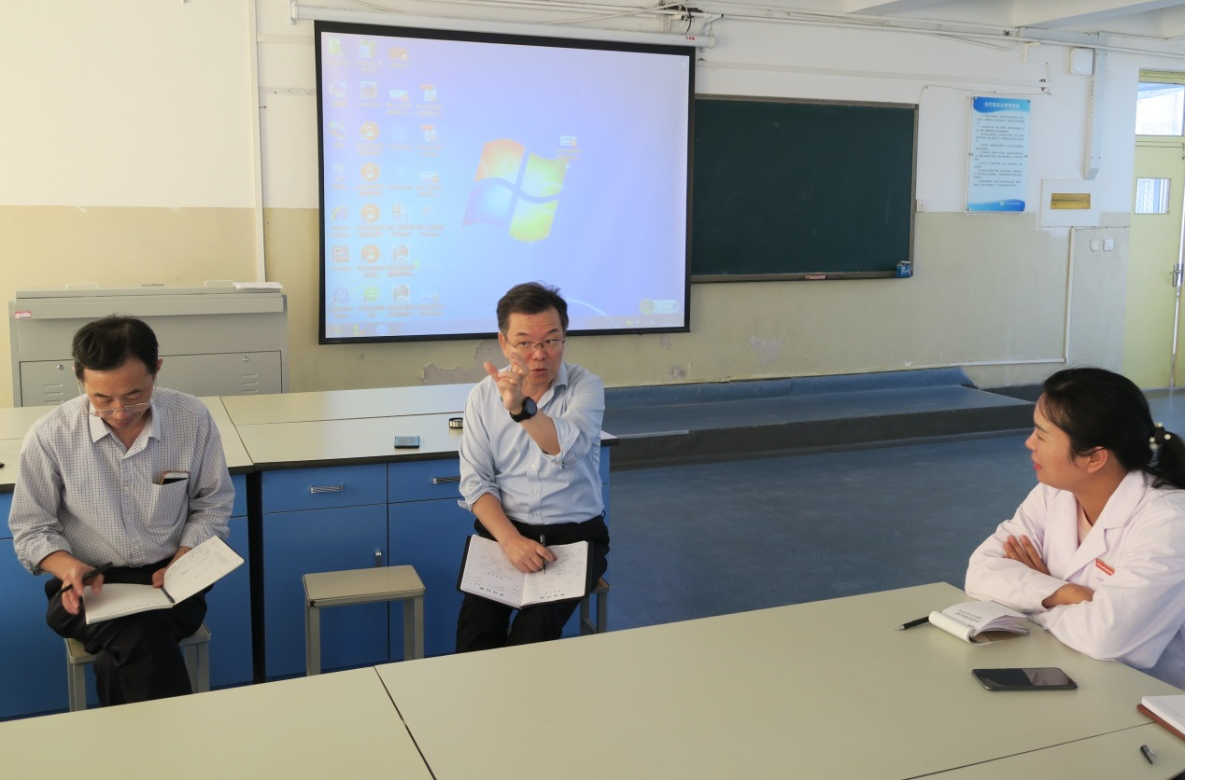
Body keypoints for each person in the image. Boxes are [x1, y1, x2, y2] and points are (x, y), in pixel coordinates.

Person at [7, 316, 234, 706]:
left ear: (156, 369)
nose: (119, 411)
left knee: (130, 646)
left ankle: (138, 743)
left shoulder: (191, 417)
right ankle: (177, 738)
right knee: (142, 635)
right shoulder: (51, 435)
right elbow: (31, 528)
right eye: (102, 399)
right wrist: (67, 567)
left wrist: (183, 558)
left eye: (134, 395)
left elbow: (212, 504)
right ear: (80, 378)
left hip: (171, 581)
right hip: (86, 587)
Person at [965, 367, 1185, 689]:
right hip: (1076, 675)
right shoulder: (1054, 493)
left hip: (1152, 697)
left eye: (1042, 435)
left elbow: (1106, 638)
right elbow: (981, 571)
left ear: (1094, 458)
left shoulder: (1171, 523)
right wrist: (1065, 593)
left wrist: (1033, 601)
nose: (1029, 443)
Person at [456, 282, 608, 652]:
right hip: (505, 535)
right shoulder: (482, 396)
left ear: (564, 339)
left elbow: (565, 449)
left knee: (531, 640)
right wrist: (511, 542)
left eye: (551, 341)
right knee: (474, 638)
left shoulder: (586, 387)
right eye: (524, 343)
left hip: (574, 539)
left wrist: (522, 409)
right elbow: (476, 483)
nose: (539, 355)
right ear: (503, 342)